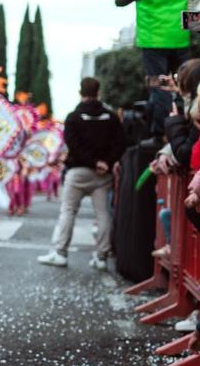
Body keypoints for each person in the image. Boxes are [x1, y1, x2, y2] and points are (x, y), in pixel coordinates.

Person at [37, 77, 127, 269]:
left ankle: (61, 252)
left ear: (81, 92)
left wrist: (93, 161)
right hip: (102, 175)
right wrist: (106, 162)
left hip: (78, 171)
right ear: (98, 92)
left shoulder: (73, 117)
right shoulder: (111, 117)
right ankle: (102, 257)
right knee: (103, 214)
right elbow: (120, 143)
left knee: (68, 211)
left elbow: (73, 146)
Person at [116, 0, 191, 137]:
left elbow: (120, 0)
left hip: (154, 43)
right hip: (180, 39)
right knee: (184, 83)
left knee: (160, 88)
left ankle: (161, 132)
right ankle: (188, 123)